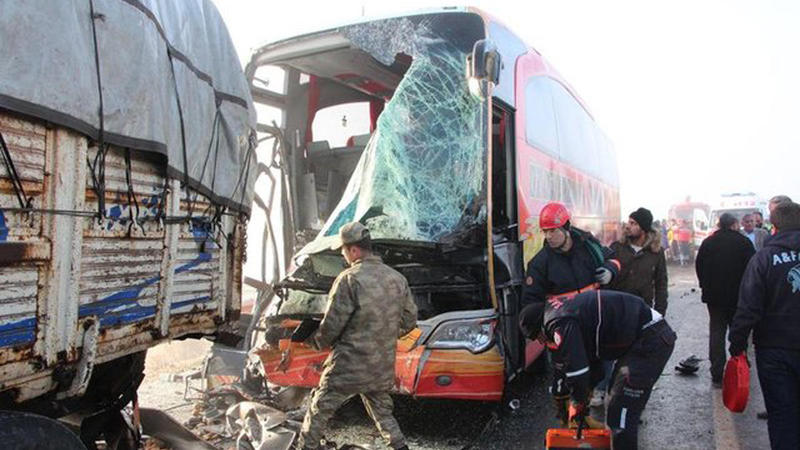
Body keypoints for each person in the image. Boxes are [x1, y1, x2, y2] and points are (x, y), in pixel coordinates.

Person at [297, 222, 417, 450]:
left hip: (348, 366)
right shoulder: (397, 279)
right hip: (380, 366)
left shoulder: (349, 278)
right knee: (382, 412)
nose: (343, 256)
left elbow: (333, 324)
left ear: (353, 250)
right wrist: (383, 334)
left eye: (343, 250)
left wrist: (315, 342)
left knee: (318, 410)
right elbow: (410, 319)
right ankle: (400, 447)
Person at [523, 290, 676, 449]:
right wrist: (584, 397)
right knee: (614, 400)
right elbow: (593, 364)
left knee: (620, 413)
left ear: (539, 327)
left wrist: (578, 402)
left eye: (538, 337)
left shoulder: (558, 322)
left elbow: (578, 370)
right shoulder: (561, 310)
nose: (541, 342)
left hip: (650, 338)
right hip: (645, 334)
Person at [729, 202, 800, 449]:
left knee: (782, 414)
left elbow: (748, 306)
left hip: (774, 348)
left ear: (774, 226)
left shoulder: (764, 259)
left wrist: (737, 345)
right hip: (776, 348)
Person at [519, 202, 620, 309]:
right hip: (563, 321)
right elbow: (530, 305)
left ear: (566, 227)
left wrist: (610, 270)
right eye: (545, 231)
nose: (548, 236)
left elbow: (613, 259)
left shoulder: (589, 247)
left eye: (553, 231)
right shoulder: (539, 264)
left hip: (594, 315)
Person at [695, 213, 755, 386]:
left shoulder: (709, 242)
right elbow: (752, 268)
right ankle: (739, 364)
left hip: (714, 296)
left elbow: (700, 266)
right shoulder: (744, 243)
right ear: (735, 224)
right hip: (738, 296)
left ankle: (716, 370)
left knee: (717, 331)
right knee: (739, 330)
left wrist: (705, 285)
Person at [610, 207, 669, 315]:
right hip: (617, 309)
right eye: (628, 222)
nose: (628, 226)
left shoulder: (656, 252)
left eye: (633, 223)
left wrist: (659, 313)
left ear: (643, 228)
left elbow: (661, 284)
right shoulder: (616, 248)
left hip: (642, 310)